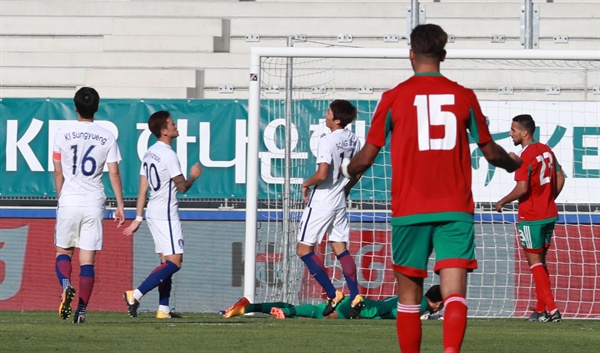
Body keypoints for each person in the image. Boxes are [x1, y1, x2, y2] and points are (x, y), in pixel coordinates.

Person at [341, 24, 522, 352]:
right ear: (444, 55)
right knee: (454, 294)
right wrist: (512, 163)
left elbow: (366, 158)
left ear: (410, 54)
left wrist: (346, 169)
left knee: (410, 299)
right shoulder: (464, 96)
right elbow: (490, 151)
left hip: (410, 209)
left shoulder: (394, 97)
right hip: (455, 208)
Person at [53, 86, 125, 324]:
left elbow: (58, 170)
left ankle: (65, 285)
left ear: (75, 107)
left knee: (63, 251)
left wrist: (61, 197)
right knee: (88, 261)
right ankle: (81, 312)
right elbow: (113, 173)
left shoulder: (62, 133)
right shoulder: (107, 136)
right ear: (97, 107)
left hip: (69, 199)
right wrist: (121, 205)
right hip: (94, 201)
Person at [122, 110, 202, 319]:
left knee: (165, 261)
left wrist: (139, 218)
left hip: (152, 213)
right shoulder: (168, 154)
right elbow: (182, 187)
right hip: (166, 213)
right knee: (175, 262)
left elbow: (142, 189)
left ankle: (163, 309)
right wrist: (193, 176)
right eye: (172, 124)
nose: (176, 126)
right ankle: (136, 294)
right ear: (164, 131)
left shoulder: (149, 153)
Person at [296, 100, 363, 319]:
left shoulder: (327, 141)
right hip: (340, 201)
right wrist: (345, 189)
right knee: (340, 248)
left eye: (328, 112)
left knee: (303, 250)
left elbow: (322, 174)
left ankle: (333, 293)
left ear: (336, 119)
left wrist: (306, 183)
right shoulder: (355, 140)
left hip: (322, 200)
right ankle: (355, 294)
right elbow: (358, 172)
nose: (325, 116)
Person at [495, 114, 565, 323]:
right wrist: (549, 198)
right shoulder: (546, 150)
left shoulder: (524, 157)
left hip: (531, 216)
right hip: (549, 214)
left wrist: (502, 201)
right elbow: (560, 177)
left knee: (534, 263)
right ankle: (541, 310)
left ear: (524, 132)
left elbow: (522, 188)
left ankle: (552, 310)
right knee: (540, 262)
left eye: (513, 130)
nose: (510, 133)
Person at [222, 285, 444, 320]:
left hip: (363, 303)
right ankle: (285, 312)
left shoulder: (414, 297)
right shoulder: (422, 305)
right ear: (440, 302)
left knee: (317, 311)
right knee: (322, 315)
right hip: (365, 309)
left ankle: (248, 306)